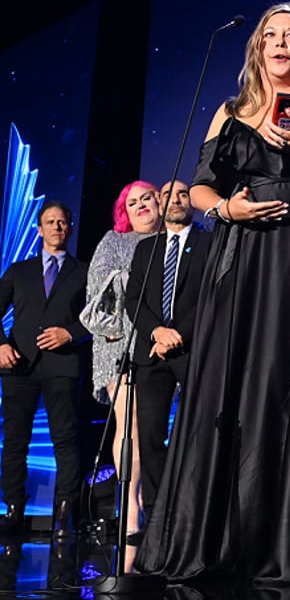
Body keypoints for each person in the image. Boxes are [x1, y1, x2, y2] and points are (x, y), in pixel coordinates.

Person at [134, 2, 290, 585]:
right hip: (243, 257)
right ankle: (220, 539)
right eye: (271, 36)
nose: (281, 44)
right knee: (237, 385)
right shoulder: (231, 111)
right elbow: (198, 188)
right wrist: (227, 207)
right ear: (256, 48)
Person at [123, 180, 211, 541]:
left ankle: (193, 517)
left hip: (192, 351)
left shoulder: (210, 243)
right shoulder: (146, 249)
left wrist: (178, 335)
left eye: (182, 194)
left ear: (191, 200)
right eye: (167, 195)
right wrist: (156, 333)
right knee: (150, 435)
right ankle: (157, 519)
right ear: (159, 204)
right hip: (152, 353)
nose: (175, 200)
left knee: (197, 433)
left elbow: (211, 295)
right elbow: (133, 300)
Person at [0, 202, 89, 539]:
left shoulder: (83, 271)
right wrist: (0, 345)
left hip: (62, 364)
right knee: (15, 442)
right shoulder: (19, 270)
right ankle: (12, 511)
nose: (56, 228)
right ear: (39, 229)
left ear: (70, 228)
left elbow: (99, 314)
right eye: (50, 222)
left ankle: (64, 514)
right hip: (18, 364)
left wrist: (72, 333)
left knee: (65, 439)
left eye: (63, 222)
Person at [84, 181, 161, 540]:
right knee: (128, 425)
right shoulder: (115, 241)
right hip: (120, 344)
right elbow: (97, 288)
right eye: (133, 202)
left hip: (165, 342)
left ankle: (155, 502)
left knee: (154, 427)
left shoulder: (179, 239)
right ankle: (129, 507)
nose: (141, 205)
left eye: (147, 197)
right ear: (124, 212)